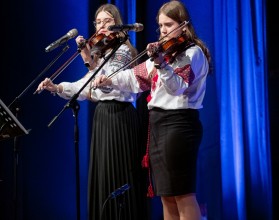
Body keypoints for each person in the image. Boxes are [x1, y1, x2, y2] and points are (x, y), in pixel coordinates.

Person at [94, 1, 211, 219]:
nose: (163, 31)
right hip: (158, 124)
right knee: (166, 195)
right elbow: (133, 78)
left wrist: (161, 64)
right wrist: (108, 80)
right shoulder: (164, 54)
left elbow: (177, 87)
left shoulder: (192, 53)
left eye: (168, 25)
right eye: (160, 26)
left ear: (183, 25)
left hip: (179, 125)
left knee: (182, 194)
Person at [36, 3, 147, 220]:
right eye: (98, 22)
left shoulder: (123, 50)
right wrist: (57, 87)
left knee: (119, 176)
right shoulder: (102, 52)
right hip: (103, 117)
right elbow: (86, 86)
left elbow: (107, 81)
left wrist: (88, 59)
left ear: (117, 23)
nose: (102, 26)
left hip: (120, 117)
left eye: (107, 21)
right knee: (105, 176)